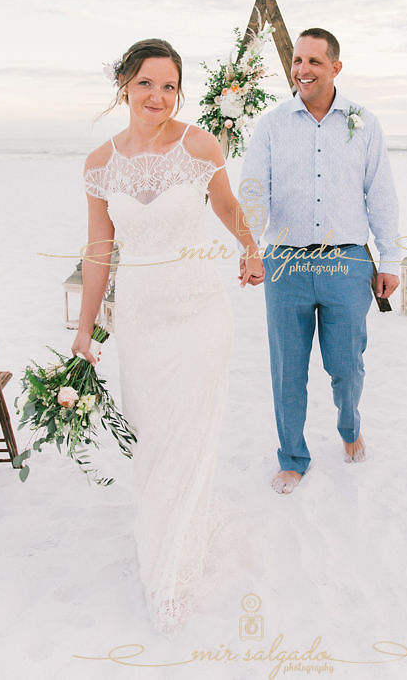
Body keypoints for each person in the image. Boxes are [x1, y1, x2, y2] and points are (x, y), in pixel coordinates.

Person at [72, 38, 264, 630]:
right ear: (125, 84)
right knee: (154, 443)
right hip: (142, 324)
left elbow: (228, 207)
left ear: (180, 92)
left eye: (170, 86)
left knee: (191, 435)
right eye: (147, 82)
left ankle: (173, 570)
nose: (158, 96)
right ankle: (165, 533)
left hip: (201, 317)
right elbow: (99, 250)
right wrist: (84, 331)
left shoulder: (199, 144)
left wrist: (250, 246)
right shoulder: (99, 164)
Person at [238, 28, 399, 495]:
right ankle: (292, 457)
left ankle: (350, 427)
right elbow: (253, 190)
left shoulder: (364, 123)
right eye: (296, 60)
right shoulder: (271, 125)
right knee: (287, 368)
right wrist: (250, 248)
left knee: (347, 364)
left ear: (335, 67)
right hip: (284, 264)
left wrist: (388, 258)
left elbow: (381, 194)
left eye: (313, 61)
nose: (302, 69)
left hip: (348, 263)